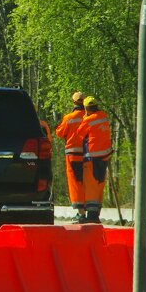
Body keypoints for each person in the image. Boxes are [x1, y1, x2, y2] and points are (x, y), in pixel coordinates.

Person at [54, 91, 87, 221]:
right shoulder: (89, 117)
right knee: (88, 182)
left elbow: (60, 133)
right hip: (88, 155)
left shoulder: (69, 118)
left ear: (74, 102)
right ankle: (90, 211)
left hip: (73, 155)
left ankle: (80, 212)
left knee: (76, 183)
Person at [79, 96, 112, 223]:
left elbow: (80, 133)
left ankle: (92, 215)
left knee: (91, 184)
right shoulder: (103, 115)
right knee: (99, 184)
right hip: (105, 155)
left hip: (92, 156)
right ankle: (96, 212)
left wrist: (84, 119)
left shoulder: (88, 120)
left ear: (86, 108)